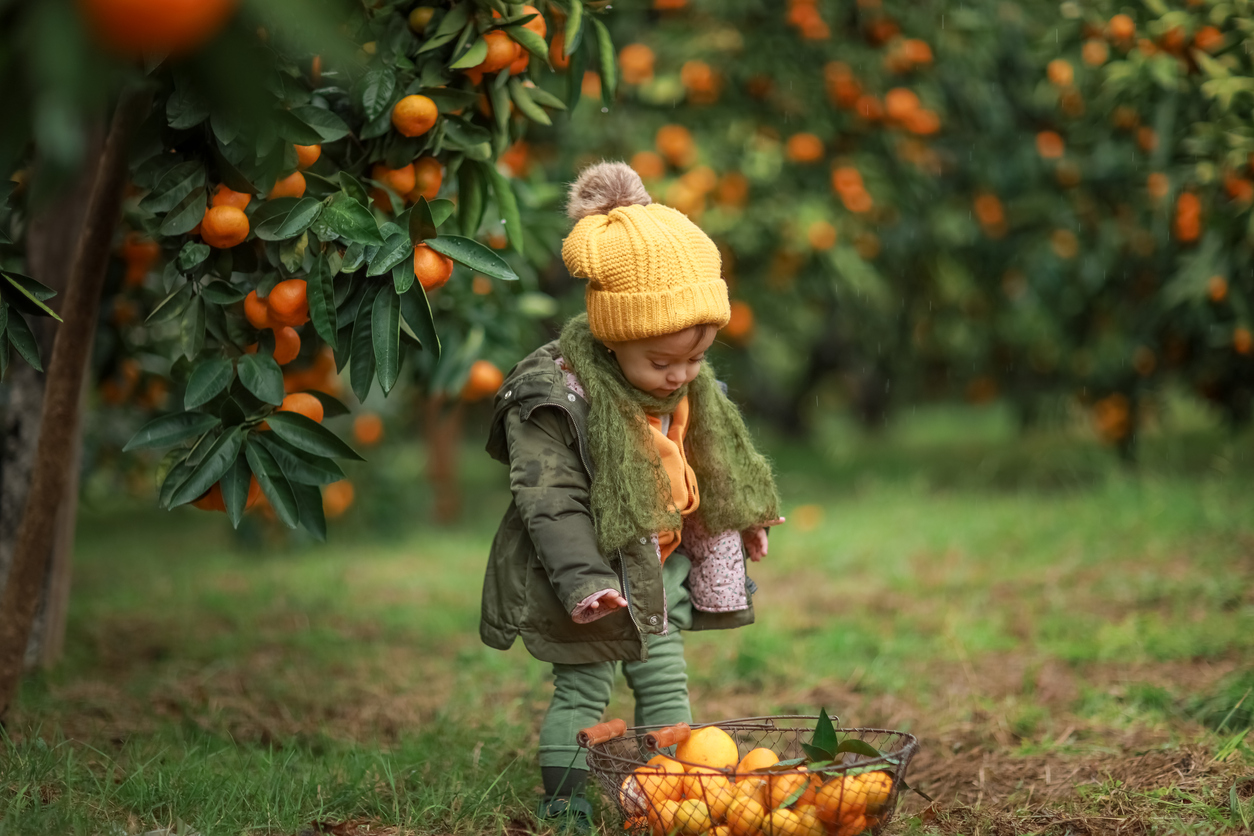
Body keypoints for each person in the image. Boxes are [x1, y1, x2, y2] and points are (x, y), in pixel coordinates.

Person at [479, 161, 783, 828]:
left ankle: (666, 793)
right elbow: (549, 499)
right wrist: (585, 582)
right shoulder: (558, 399)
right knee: (584, 691)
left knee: (666, 681)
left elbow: (707, 468)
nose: (680, 375)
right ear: (614, 335)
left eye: (696, 358)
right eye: (663, 362)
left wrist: (738, 519)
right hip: (583, 579)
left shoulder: (684, 391)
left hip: (654, 570)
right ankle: (564, 805)